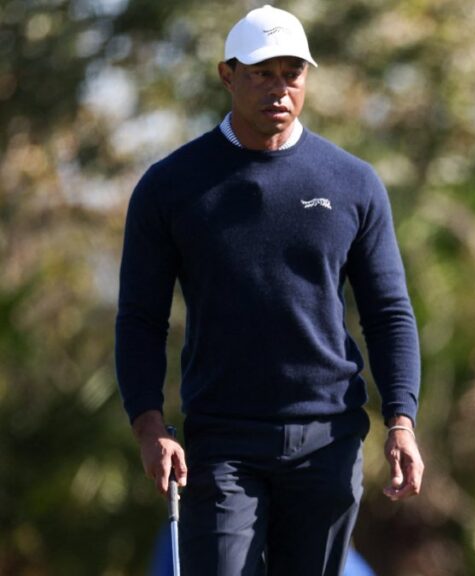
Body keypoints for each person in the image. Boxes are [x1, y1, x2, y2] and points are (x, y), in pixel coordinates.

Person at [115, 5, 424, 574]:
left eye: (292, 73)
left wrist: (402, 420)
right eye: (262, 72)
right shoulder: (170, 186)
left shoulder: (352, 182)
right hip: (221, 442)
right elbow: (139, 317)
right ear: (226, 75)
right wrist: (149, 424)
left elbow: (389, 313)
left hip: (328, 439)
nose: (279, 88)